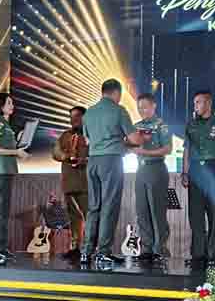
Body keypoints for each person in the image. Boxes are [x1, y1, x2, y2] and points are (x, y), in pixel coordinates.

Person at [80, 79, 148, 265]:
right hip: (110, 161)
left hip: (93, 161)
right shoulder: (119, 111)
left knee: (93, 207)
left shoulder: (89, 113)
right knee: (109, 206)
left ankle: (86, 251)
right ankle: (103, 252)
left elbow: (88, 140)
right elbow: (134, 139)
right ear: (117, 93)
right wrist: (142, 137)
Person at [181, 90, 215, 267]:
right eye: (194, 102)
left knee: (213, 214)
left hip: (213, 168)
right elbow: (186, 150)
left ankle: (211, 255)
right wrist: (184, 172)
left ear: (208, 103)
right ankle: (198, 255)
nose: (195, 105)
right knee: (195, 215)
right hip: (195, 170)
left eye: (199, 102)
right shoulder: (190, 124)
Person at [0, 93, 30, 264]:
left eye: (12, 102)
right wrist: (16, 152)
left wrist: (19, 143)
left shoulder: (6, 124)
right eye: (9, 103)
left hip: (7, 170)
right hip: (0, 170)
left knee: (3, 210)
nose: (12, 105)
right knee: (1, 211)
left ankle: (0, 247)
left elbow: (7, 145)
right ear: (1, 106)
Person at [131, 93, 172, 262]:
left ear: (153, 106)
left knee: (157, 211)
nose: (142, 110)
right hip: (140, 170)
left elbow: (168, 149)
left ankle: (159, 248)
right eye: (139, 107)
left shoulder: (161, 125)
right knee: (142, 210)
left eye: (145, 107)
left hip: (156, 168)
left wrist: (145, 152)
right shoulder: (136, 126)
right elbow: (128, 145)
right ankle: (146, 248)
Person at [52, 106, 89, 261]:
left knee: (89, 216)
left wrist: (84, 160)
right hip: (68, 183)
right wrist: (65, 156)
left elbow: (97, 155)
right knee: (73, 218)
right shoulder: (65, 135)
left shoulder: (91, 135)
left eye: (77, 116)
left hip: (86, 183)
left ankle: (89, 248)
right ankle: (76, 248)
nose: (74, 120)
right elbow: (55, 152)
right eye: (71, 117)